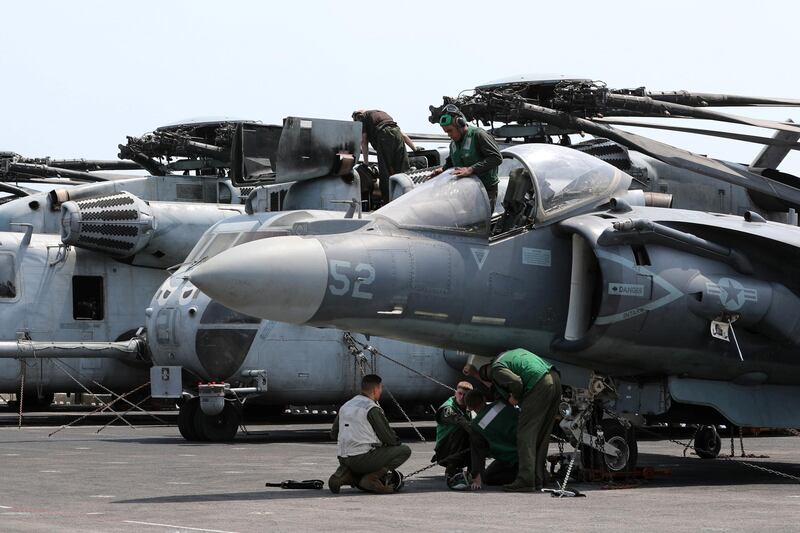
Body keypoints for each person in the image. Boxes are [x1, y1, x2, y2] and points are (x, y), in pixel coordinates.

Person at [478, 348, 561, 492]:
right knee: (542, 434)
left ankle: (526, 480)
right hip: (554, 378)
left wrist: (515, 397)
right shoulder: (510, 355)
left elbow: (516, 382)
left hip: (538, 384)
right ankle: (539, 478)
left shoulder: (497, 369)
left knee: (525, 435)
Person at [328, 374, 411, 494]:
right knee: (404, 450)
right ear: (376, 389)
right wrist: (395, 443)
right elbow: (388, 438)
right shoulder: (371, 408)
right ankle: (371, 478)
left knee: (362, 458)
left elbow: (334, 434)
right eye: (380, 389)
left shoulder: (346, 406)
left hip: (343, 458)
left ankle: (344, 475)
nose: (380, 392)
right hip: (362, 459)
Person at [430, 104, 503, 212]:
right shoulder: (453, 144)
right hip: (465, 190)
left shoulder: (479, 135)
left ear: (460, 124)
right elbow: (451, 162)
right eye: (446, 132)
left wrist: (471, 169)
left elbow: (496, 158)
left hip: (485, 190)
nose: (449, 135)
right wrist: (442, 170)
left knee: (480, 222)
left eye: (450, 131)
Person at [352, 109, 419, 204]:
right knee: (403, 171)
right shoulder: (382, 114)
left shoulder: (362, 117)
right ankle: (407, 198)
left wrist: (366, 163)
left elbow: (364, 141)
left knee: (385, 172)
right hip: (397, 136)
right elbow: (401, 134)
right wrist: (415, 148)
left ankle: (388, 202)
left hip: (384, 137)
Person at [465, 389, 519, 490]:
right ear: (484, 399)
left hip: (510, 459)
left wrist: (476, 478)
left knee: (488, 478)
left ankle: (521, 476)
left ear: (469, 407)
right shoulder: (501, 403)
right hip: (528, 449)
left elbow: (478, 453)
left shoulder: (476, 426)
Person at [433, 381, 473, 480]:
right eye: (460, 393)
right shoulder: (447, 408)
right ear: (455, 393)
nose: (462, 397)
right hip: (445, 451)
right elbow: (460, 421)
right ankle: (451, 469)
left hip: (459, 448)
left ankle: (473, 472)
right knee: (462, 430)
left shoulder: (468, 407)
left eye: (465, 395)